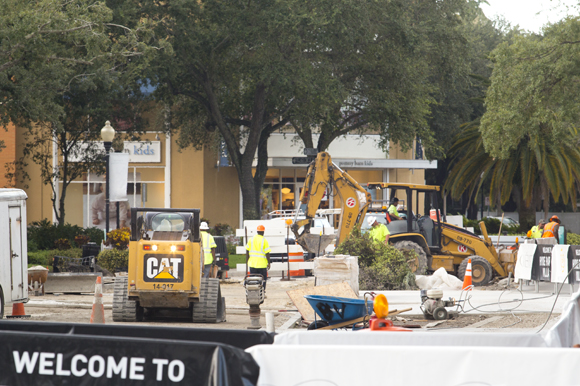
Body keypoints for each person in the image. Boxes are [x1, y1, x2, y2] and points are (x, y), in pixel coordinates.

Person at [245, 225, 272, 292]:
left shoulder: (251, 239)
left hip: (252, 264)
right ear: (263, 232)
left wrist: (247, 260)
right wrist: (269, 263)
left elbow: (247, 251)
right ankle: (262, 291)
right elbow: (267, 253)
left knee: (253, 279)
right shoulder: (264, 240)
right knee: (263, 279)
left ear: (257, 231)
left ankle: (254, 291)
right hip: (262, 264)